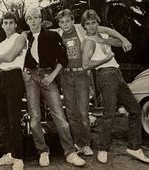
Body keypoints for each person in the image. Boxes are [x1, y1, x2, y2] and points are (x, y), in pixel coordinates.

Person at [54, 9, 132, 156]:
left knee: (83, 112)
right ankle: (77, 143)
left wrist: (122, 39)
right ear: (59, 23)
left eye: (68, 21)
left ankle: (86, 143)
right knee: (71, 113)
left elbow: (106, 29)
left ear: (73, 20)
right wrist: (24, 34)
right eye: (62, 22)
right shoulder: (58, 33)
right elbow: (39, 33)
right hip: (65, 76)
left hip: (81, 75)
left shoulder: (81, 30)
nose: (65, 24)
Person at [81, 9, 149, 164]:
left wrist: (115, 41)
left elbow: (116, 39)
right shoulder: (88, 42)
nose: (91, 26)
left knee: (135, 110)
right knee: (109, 113)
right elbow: (86, 64)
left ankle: (134, 147)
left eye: (93, 23)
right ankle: (103, 148)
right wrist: (105, 60)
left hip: (117, 74)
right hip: (105, 74)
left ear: (97, 22)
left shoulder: (101, 33)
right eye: (88, 24)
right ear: (84, 26)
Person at [23, 7, 86, 167]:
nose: (34, 20)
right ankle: (43, 151)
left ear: (40, 19)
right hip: (31, 79)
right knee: (35, 117)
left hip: (48, 76)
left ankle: (70, 152)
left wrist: (52, 76)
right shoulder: (24, 38)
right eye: (30, 18)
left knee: (59, 115)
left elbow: (63, 59)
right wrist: (23, 73)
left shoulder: (51, 35)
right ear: (27, 21)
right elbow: (17, 59)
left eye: (36, 17)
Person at [0, 11, 27, 170]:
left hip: (14, 76)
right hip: (1, 78)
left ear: (15, 24)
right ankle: (9, 154)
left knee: (14, 117)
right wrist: (1, 58)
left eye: (11, 22)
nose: (8, 25)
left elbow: (11, 57)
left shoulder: (20, 38)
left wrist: (0, 58)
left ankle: (19, 157)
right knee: (2, 117)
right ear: (2, 25)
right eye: (5, 23)